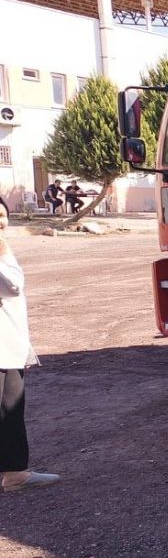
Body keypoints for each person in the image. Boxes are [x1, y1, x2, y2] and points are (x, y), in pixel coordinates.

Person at [0, 198, 61, 493]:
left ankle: (14, 473)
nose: (1, 222)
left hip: (9, 346)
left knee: (11, 410)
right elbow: (12, 286)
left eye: (3, 216)